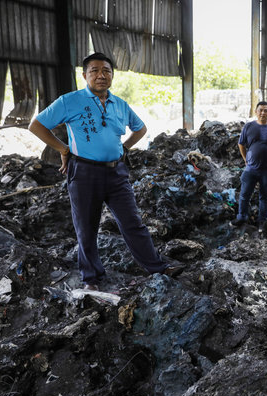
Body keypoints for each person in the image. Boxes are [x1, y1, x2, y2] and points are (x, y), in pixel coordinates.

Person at [28, 52, 180, 291]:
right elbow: (36, 125)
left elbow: (140, 129)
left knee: (133, 223)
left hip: (117, 173)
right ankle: (91, 278)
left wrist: (124, 148)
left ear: (112, 75)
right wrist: (63, 148)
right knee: (86, 228)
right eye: (95, 70)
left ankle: (157, 267)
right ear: (84, 75)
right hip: (84, 173)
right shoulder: (69, 101)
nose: (101, 75)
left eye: (106, 71)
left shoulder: (120, 104)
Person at [230, 101, 267, 232]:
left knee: (265, 197)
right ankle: (241, 218)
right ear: (256, 112)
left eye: (266, 110)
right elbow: (241, 144)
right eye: (260, 110)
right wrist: (245, 159)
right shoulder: (249, 127)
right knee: (245, 195)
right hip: (251, 168)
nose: (263, 113)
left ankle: (262, 221)